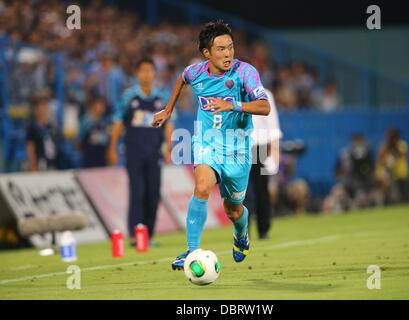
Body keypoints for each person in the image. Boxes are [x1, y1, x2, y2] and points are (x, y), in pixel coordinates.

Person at [152, 21, 271, 270]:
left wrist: (233, 105)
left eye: (230, 47)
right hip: (207, 142)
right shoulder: (195, 72)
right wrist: (167, 109)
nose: (228, 54)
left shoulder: (245, 73)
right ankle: (192, 250)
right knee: (203, 186)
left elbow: (264, 106)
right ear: (207, 53)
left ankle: (241, 233)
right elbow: (181, 79)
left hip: (237, 149)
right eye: (221, 49)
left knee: (233, 210)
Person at [108, 57, 173, 245]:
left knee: (153, 193)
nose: (146, 74)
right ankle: (136, 235)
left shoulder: (162, 97)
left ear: (155, 73)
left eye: (150, 70)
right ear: (137, 73)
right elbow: (118, 122)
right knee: (137, 192)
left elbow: (169, 125)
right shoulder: (129, 96)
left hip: (154, 153)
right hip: (134, 152)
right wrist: (112, 148)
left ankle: (149, 235)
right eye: (143, 70)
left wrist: (170, 147)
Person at [244, 88, 282, 240]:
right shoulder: (233, 91)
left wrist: (275, 151)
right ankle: (242, 231)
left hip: (260, 146)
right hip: (240, 145)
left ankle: (263, 228)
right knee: (241, 192)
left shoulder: (265, 94)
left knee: (262, 189)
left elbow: (272, 124)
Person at [26, 94, 59, 171]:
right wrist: (33, 166)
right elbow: (30, 148)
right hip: (40, 163)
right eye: (41, 105)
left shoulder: (51, 126)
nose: (44, 108)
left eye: (46, 105)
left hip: (52, 163)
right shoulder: (32, 127)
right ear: (36, 109)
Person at [78, 98, 110, 168]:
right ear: (93, 106)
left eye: (103, 105)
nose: (102, 108)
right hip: (89, 157)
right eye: (100, 105)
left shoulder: (105, 121)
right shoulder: (86, 121)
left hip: (101, 156)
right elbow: (79, 140)